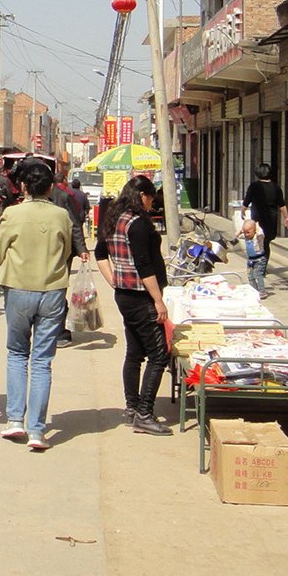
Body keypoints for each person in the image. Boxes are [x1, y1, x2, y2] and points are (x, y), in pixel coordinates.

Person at [0, 161, 73, 452]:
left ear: (23, 186)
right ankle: (37, 430)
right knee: (42, 361)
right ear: (50, 186)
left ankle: (15, 421)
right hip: (52, 291)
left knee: (16, 353)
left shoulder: (12, 214)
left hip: (18, 289)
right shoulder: (62, 215)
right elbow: (66, 253)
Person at [93, 175, 172, 436]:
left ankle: (132, 408)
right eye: (151, 198)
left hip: (125, 295)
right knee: (159, 354)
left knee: (135, 353)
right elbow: (144, 264)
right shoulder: (138, 224)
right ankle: (145, 413)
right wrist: (158, 300)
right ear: (142, 196)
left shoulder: (114, 219)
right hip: (141, 297)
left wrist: (114, 281)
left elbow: (100, 254)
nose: (152, 204)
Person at [45, 153, 88, 346]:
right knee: (55, 288)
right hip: (57, 248)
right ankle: (56, 330)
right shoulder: (63, 195)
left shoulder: (60, 195)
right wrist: (81, 248)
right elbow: (76, 223)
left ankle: (58, 330)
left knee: (54, 288)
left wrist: (81, 248)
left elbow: (73, 224)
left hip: (58, 249)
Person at [241, 162, 288, 293]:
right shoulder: (276, 187)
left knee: (256, 242)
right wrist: (286, 217)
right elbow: (282, 204)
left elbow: (246, 201)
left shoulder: (254, 186)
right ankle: (263, 267)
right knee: (266, 243)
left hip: (256, 221)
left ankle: (257, 266)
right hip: (271, 219)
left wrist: (242, 212)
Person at [240, 218, 268, 294]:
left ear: (254, 231)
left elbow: (261, 233)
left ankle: (262, 291)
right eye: (245, 232)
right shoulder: (246, 237)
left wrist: (257, 226)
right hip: (250, 260)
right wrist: (241, 230)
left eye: (248, 232)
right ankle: (254, 290)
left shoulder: (258, 237)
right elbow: (237, 235)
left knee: (258, 275)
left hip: (259, 259)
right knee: (250, 276)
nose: (246, 234)